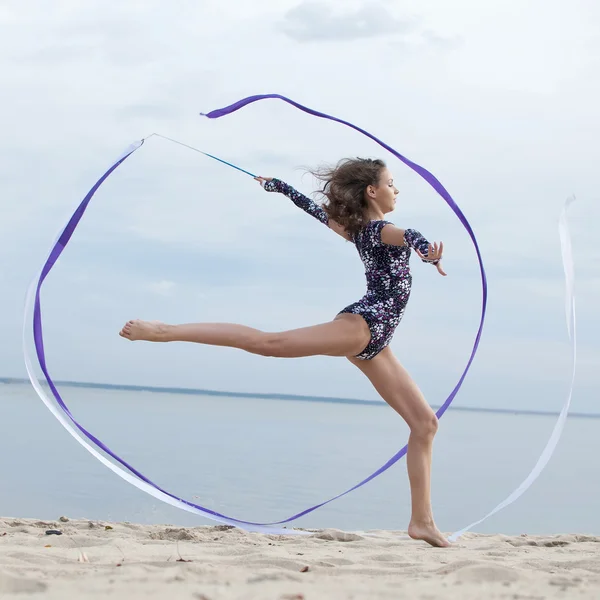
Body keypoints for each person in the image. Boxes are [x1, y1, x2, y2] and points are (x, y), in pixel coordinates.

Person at [119, 157, 449, 547]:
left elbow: (313, 210)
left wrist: (280, 186)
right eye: (392, 183)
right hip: (363, 328)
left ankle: (422, 522)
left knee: (425, 425)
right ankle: (163, 331)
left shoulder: (358, 229)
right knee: (268, 344)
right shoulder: (379, 229)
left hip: (377, 342)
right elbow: (408, 235)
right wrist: (427, 250)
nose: (397, 190)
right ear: (372, 191)